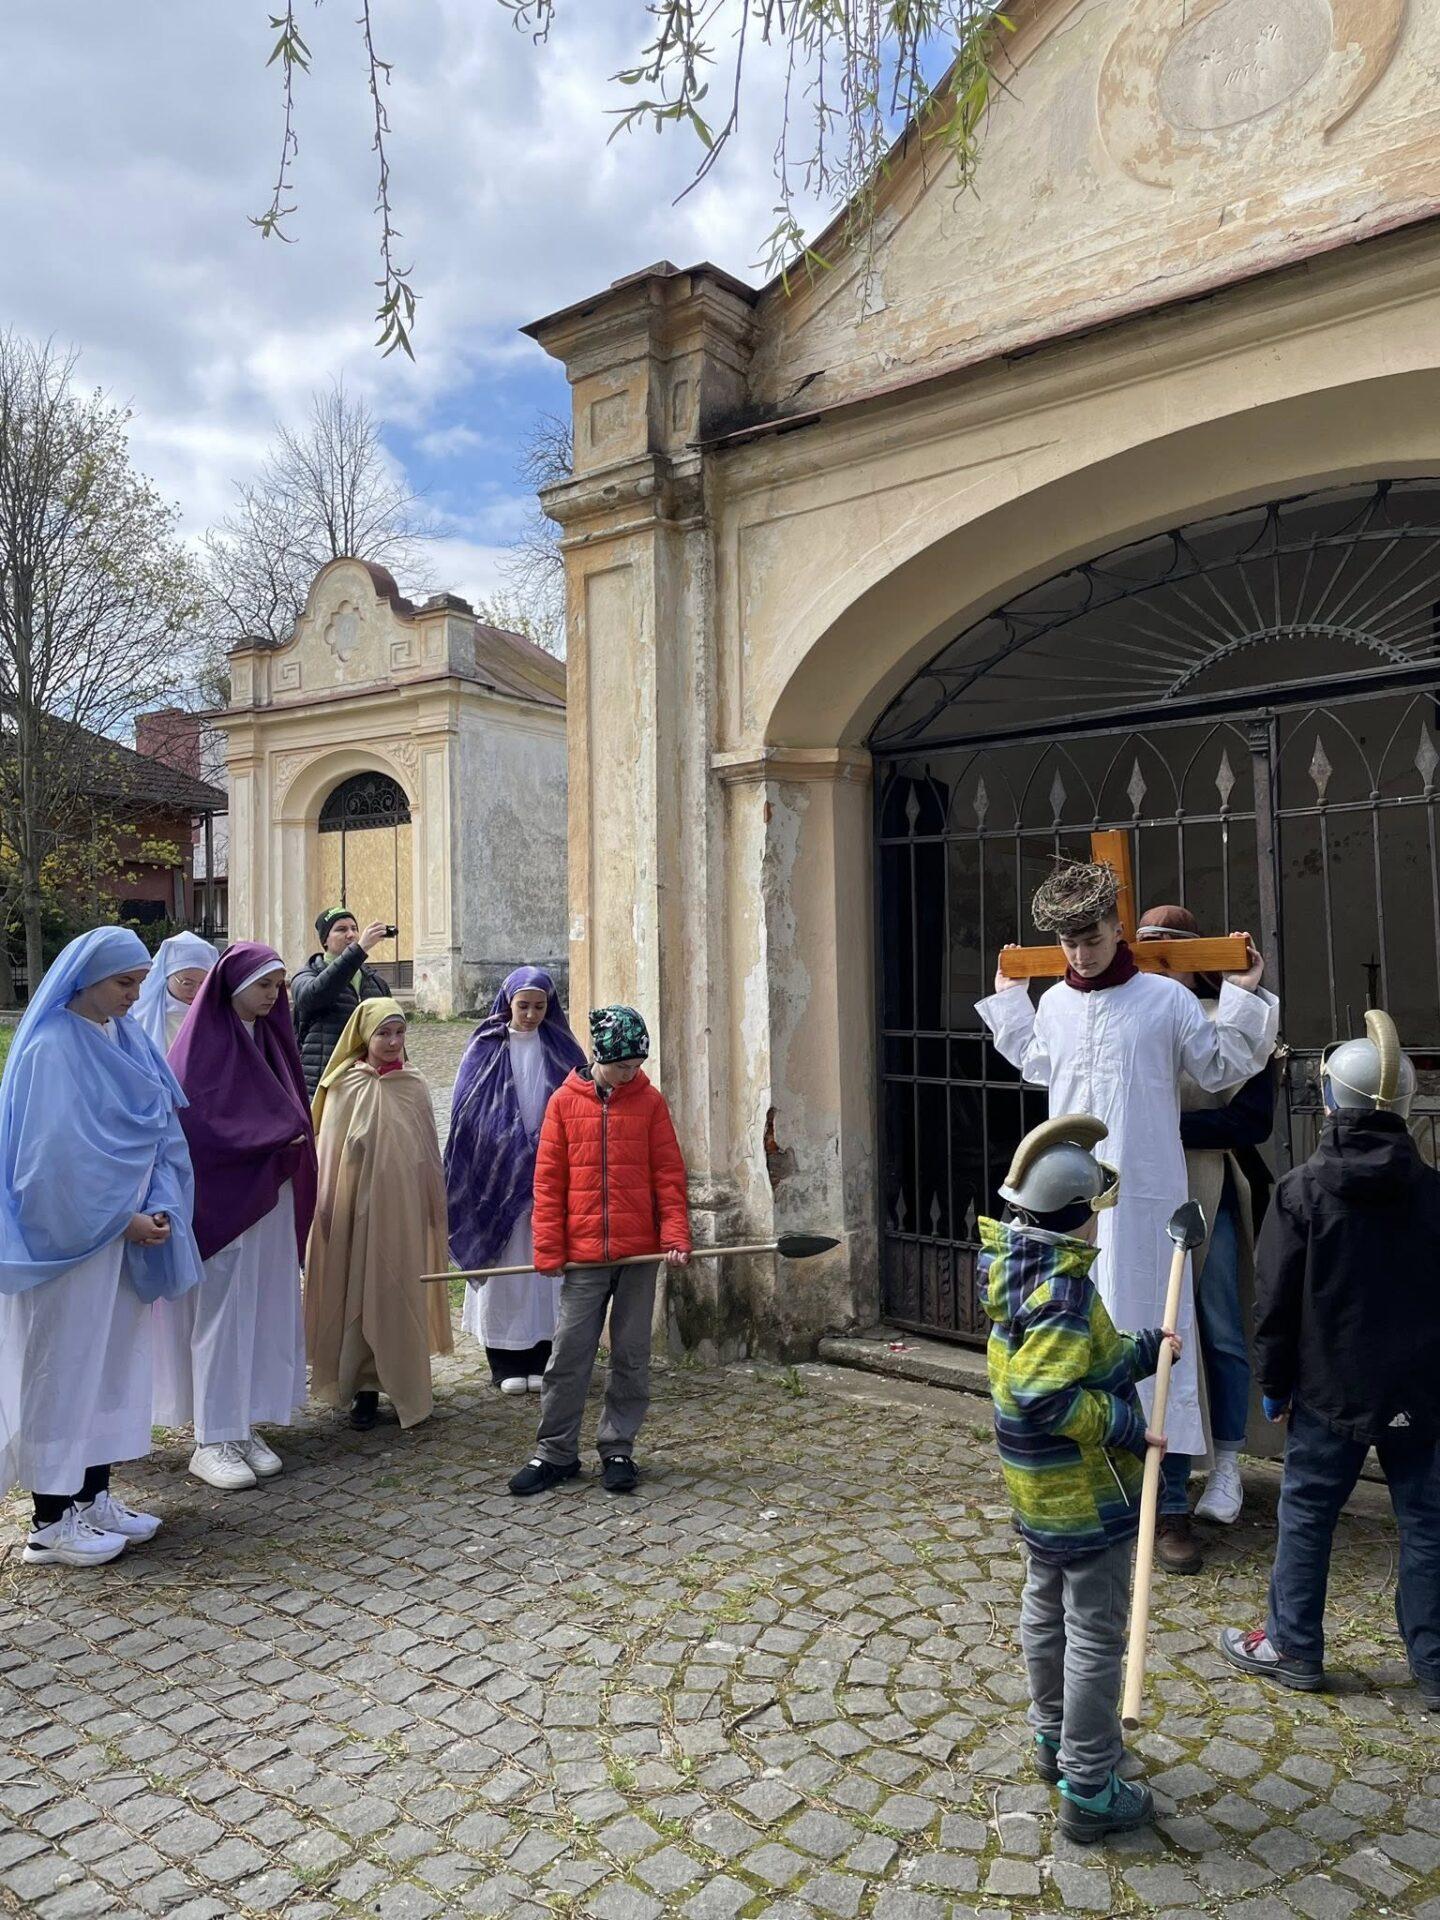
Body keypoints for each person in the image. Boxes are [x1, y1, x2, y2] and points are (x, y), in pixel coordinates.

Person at [977, 858, 1278, 1577]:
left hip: (1146, 1198)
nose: (1082, 951)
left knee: (1160, 1339)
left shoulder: (1164, 1001)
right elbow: (1037, 1061)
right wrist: (1011, 1000)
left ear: (1118, 925)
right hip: (1077, 1208)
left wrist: (1240, 993)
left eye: (1093, 935)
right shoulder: (1056, 1006)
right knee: (1075, 1340)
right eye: (1071, 941)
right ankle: (1088, 1496)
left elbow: (1216, 1064)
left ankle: (1167, 1504)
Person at [1221, 1010, 1440, 1711]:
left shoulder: (1301, 1192)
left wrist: (1273, 1382)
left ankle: (1293, 1647)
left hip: (1326, 1390)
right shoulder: (1435, 1194)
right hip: (1422, 1390)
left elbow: (1275, 1302)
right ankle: (1435, 1664)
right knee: (1429, 1523)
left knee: (1309, 1513)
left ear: (1329, 1100)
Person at [981, 1112, 1178, 1842]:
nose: (1100, 1228)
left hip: (1038, 1492)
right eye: (1096, 1214)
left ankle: (1053, 1736)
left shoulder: (1018, 1270)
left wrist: (1142, 1353)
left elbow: (1079, 1362)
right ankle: (1090, 1784)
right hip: (1084, 1496)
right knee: (1095, 1632)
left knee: (1044, 1607)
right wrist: (1130, 1426)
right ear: (1076, 1221)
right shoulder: (1062, 1293)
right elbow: (1047, 1397)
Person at [0, 927, 204, 1566]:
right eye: (124, 982)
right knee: (63, 1369)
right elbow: (50, 1163)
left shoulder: (128, 1036)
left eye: (141, 982)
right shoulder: (51, 1050)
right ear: (86, 979)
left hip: (124, 1242)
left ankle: (93, 1497)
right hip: (72, 1249)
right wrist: (122, 1220)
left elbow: (160, 1128)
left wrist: (159, 1204)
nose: (134, 994)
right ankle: (48, 1521)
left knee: (112, 1365)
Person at [1137, 904, 1278, 1552]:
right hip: (1142, 1189)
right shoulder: (1130, 1016)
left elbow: (1250, 1120)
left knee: (1219, 1327)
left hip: (1208, 1184)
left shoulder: (1234, 1019)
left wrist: (1166, 1129)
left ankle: (1225, 1462)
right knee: (1149, 1328)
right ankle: (1156, 1468)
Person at [508, 1005, 690, 1497]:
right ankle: (555, 1452)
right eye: (621, 1067)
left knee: (631, 1355)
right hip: (585, 1258)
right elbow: (548, 1183)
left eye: (636, 1066)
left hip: (637, 1257)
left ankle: (617, 1448)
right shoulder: (564, 1104)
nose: (631, 1075)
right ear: (597, 1058)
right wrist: (549, 1248)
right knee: (569, 1354)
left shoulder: (649, 1103)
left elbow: (668, 1174)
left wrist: (675, 1234)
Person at [155, 942, 317, 1491]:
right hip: (224, 1202)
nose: (274, 996)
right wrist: (272, 1135)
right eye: (264, 986)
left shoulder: (270, 1039)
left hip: (269, 1196)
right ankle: (212, 1436)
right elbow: (196, 1127)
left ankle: (243, 1421)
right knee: (222, 1314)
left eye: (278, 987)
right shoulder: (201, 1046)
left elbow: (291, 1106)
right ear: (233, 987)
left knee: (261, 1305)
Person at [305, 999, 453, 1430]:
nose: (392, 1042)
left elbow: (428, 1155)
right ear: (364, 1038)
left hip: (402, 1212)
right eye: (383, 1034)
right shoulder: (344, 1086)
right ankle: (362, 1390)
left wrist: (431, 1205)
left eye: (399, 1033)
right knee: (357, 1293)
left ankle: (409, 1386)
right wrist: (329, 1207)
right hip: (356, 1212)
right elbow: (329, 1155)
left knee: (397, 1294)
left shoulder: (414, 1085)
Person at [446, 967, 585, 1393]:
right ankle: (503, 1360)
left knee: (546, 1273)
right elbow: (465, 1111)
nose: (530, 1014)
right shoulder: (485, 1047)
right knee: (505, 1269)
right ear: (508, 1003)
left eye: (539, 1007)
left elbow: (579, 1104)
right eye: (523, 1006)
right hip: (496, 1175)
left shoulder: (562, 1048)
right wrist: (502, 1145)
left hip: (548, 1175)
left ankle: (542, 1355)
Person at [291, 907, 392, 1099]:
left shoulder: (375, 981)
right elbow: (313, 997)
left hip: (368, 1082)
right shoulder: (306, 975)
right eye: (341, 929)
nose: (351, 934)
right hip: (325, 1081)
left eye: (354, 928)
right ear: (325, 940)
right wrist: (359, 950)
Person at [133, 931, 219, 1053]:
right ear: (167, 976)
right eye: (187, 983)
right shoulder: (142, 1015)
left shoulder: (215, 1015)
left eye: (203, 984)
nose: (196, 991)